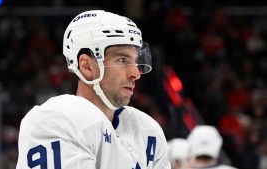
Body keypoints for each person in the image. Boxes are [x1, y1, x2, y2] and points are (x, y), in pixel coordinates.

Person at [16, 10, 171, 169]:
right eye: (122, 59)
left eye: (136, 62)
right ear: (87, 66)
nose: (135, 73)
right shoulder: (58, 120)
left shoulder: (147, 131)